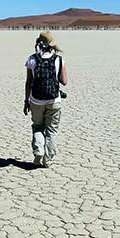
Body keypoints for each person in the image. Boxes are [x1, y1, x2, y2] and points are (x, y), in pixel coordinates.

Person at [23, 31, 68, 168]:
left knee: (37, 126)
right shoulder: (59, 60)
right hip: (54, 101)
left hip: (36, 101)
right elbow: (64, 81)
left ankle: (38, 151)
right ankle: (48, 160)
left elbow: (28, 82)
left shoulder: (32, 59)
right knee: (52, 130)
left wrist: (26, 101)